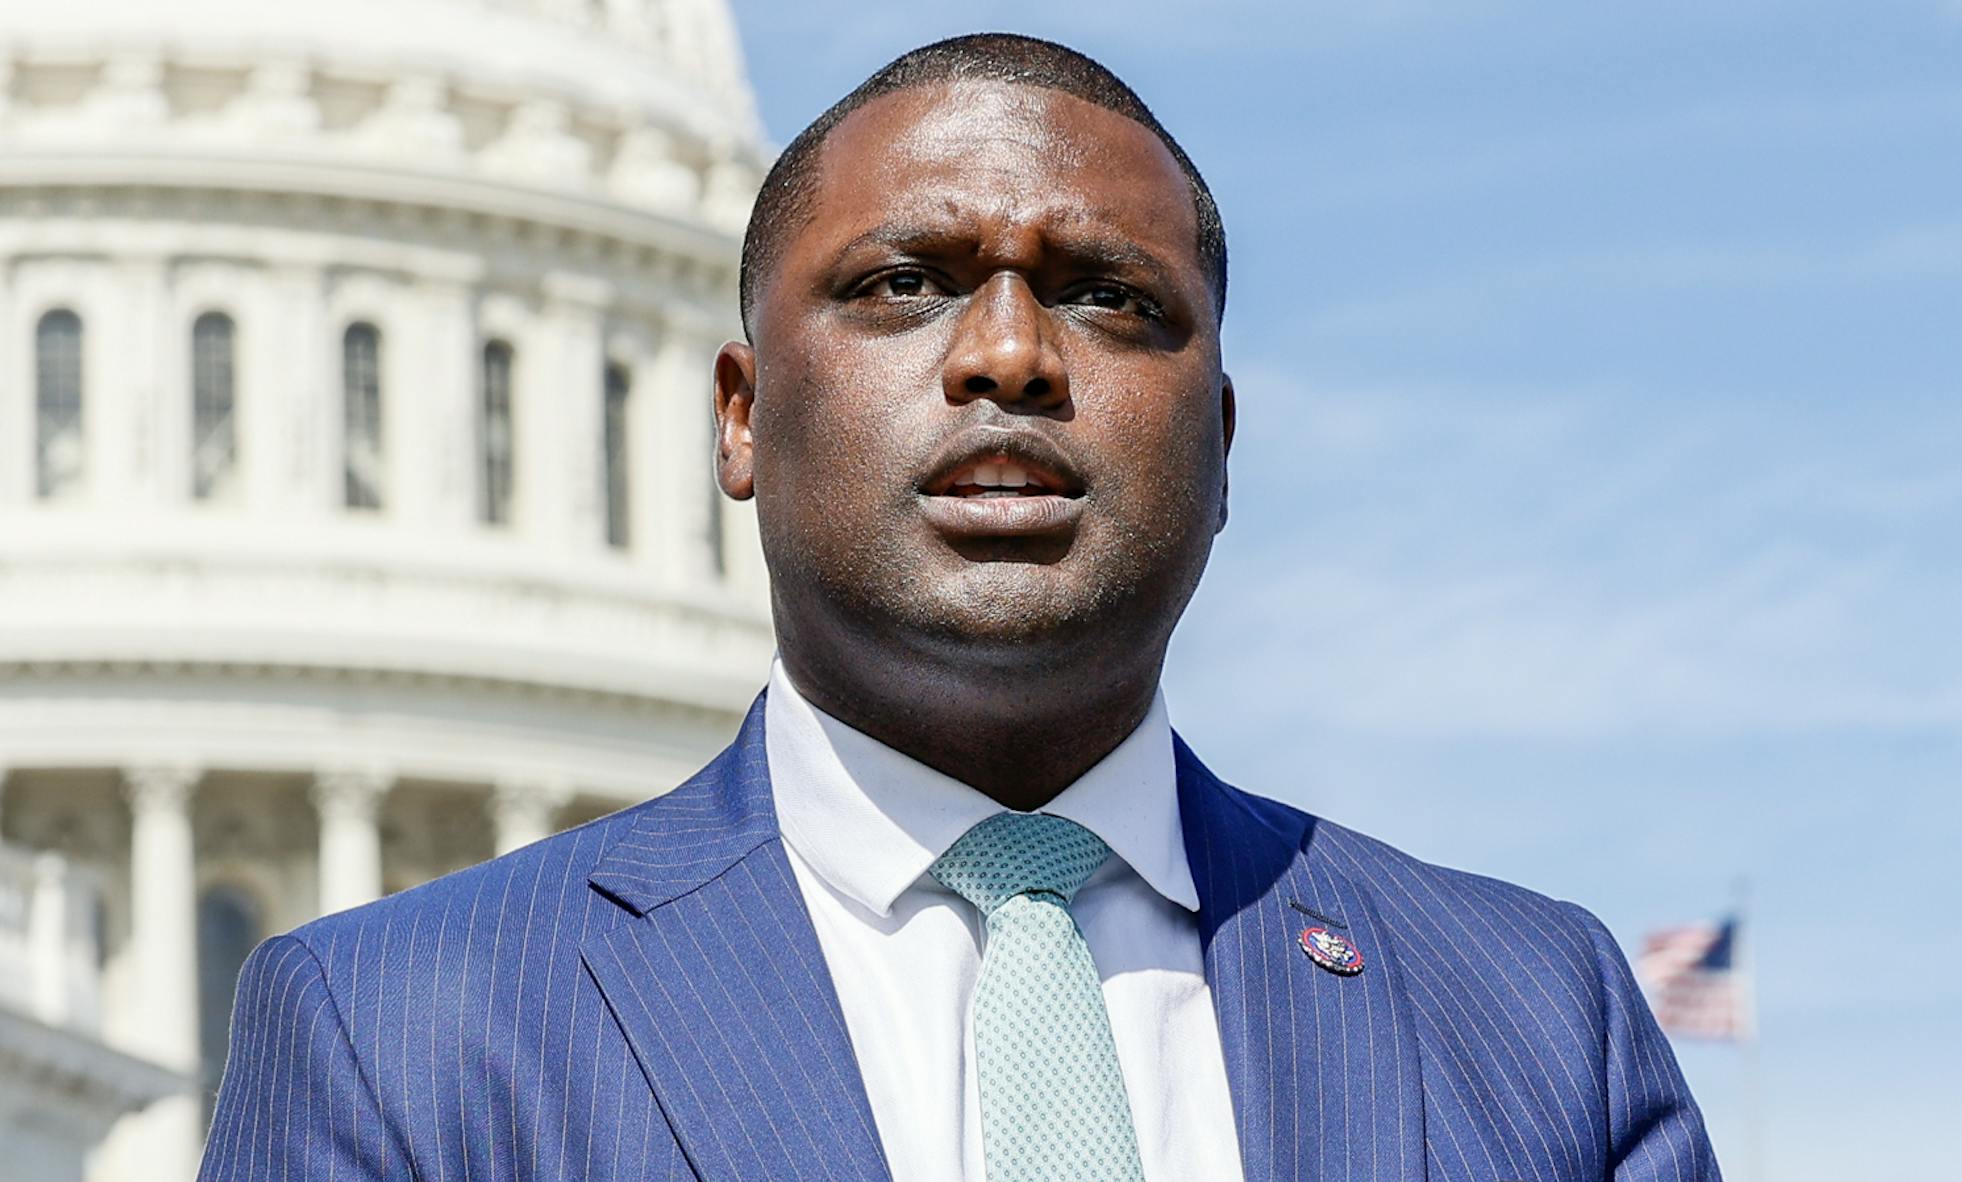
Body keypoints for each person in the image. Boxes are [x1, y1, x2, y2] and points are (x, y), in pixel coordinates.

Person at [200, 33, 1719, 1182]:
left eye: (1110, 296)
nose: (1008, 353)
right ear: (740, 416)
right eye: (904, 284)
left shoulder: (1532, 1022)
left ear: (1221, 442)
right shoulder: (398, 1034)